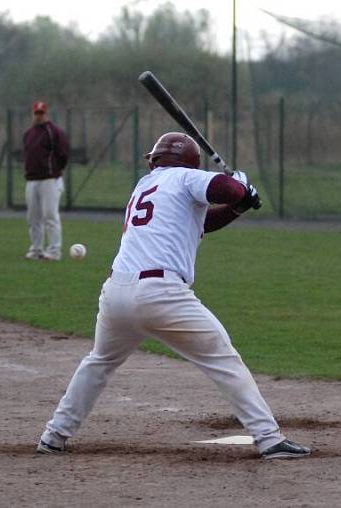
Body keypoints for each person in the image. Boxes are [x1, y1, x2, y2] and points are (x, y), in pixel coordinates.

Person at [36, 132, 311, 460]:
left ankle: (54, 435)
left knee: (98, 363)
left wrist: (237, 208)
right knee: (222, 358)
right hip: (162, 295)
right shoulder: (186, 176)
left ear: (156, 159)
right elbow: (227, 189)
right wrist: (238, 184)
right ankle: (268, 438)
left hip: (116, 294)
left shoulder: (145, 185)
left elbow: (201, 223)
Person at [22, 101, 69, 261]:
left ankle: (54, 251)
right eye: (36, 113)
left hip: (50, 179)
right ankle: (36, 250)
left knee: (50, 215)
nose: (39, 116)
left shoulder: (54, 132)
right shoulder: (28, 134)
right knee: (33, 218)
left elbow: (63, 154)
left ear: (46, 114)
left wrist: (55, 170)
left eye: (41, 113)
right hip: (32, 180)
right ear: (33, 114)